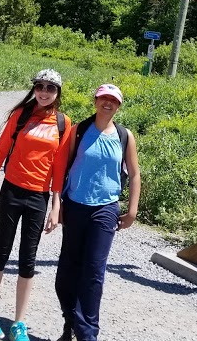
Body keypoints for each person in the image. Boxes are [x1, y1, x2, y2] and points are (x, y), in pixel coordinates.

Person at [0, 69, 72, 341]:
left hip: (38, 198)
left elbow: (59, 167)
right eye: (39, 86)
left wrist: (56, 205)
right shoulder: (20, 116)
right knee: (1, 251)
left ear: (57, 93)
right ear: (34, 89)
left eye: (50, 88)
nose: (44, 92)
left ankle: (19, 323)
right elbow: (0, 152)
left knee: (27, 260)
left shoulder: (63, 124)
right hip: (12, 191)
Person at [51, 83, 141, 341]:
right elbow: (62, 167)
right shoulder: (79, 130)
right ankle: (70, 323)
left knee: (93, 273)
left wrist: (132, 210)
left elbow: (134, 174)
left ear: (119, 105)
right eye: (104, 98)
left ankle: (87, 335)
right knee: (67, 271)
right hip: (75, 205)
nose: (108, 103)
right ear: (96, 100)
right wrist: (57, 204)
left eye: (113, 100)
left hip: (105, 209)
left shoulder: (125, 136)